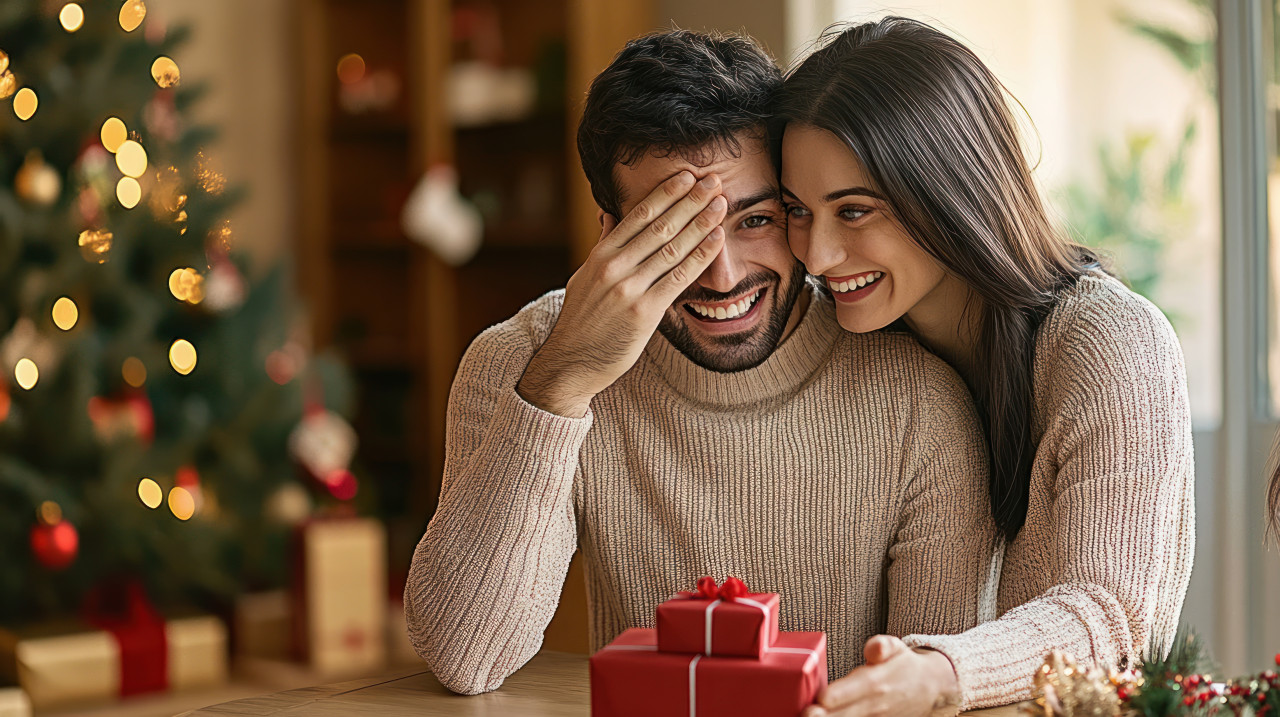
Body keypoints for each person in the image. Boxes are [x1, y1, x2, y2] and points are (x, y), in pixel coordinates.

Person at [404, 29, 995, 699]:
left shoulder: (918, 400)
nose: (723, 275)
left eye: (756, 220)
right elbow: (464, 654)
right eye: (676, 231)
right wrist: (563, 384)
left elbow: (929, 697)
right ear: (610, 233)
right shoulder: (522, 361)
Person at [776, 17, 1195, 716]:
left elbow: (1114, 614)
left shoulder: (1110, 341)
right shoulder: (858, 349)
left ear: (952, 192)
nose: (816, 255)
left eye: (854, 211)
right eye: (797, 211)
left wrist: (939, 671)